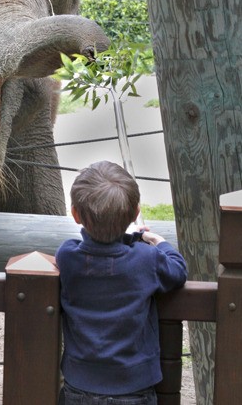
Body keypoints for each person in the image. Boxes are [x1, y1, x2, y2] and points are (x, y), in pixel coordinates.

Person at [56, 161, 187, 405]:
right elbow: (178, 269)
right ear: (136, 213)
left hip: (80, 385)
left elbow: (85, 248)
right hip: (134, 386)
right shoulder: (146, 259)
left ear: (75, 214)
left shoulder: (68, 257)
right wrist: (155, 240)